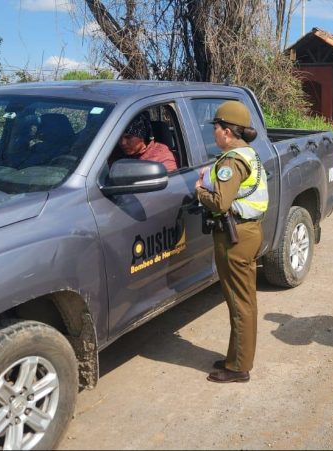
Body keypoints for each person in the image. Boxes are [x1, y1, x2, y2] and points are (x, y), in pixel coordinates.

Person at [195, 100, 268, 383]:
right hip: (247, 232)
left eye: (216, 127)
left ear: (227, 132)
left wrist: (200, 190)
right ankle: (235, 356)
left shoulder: (231, 162)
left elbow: (221, 202)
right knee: (243, 300)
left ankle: (238, 367)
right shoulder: (248, 154)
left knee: (240, 302)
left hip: (235, 236)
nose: (213, 132)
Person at [113, 113, 178, 171]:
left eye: (128, 137)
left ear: (142, 136)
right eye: (119, 137)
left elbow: (170, 180)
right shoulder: (115, 153)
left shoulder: (161, 155)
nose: (122, 143)